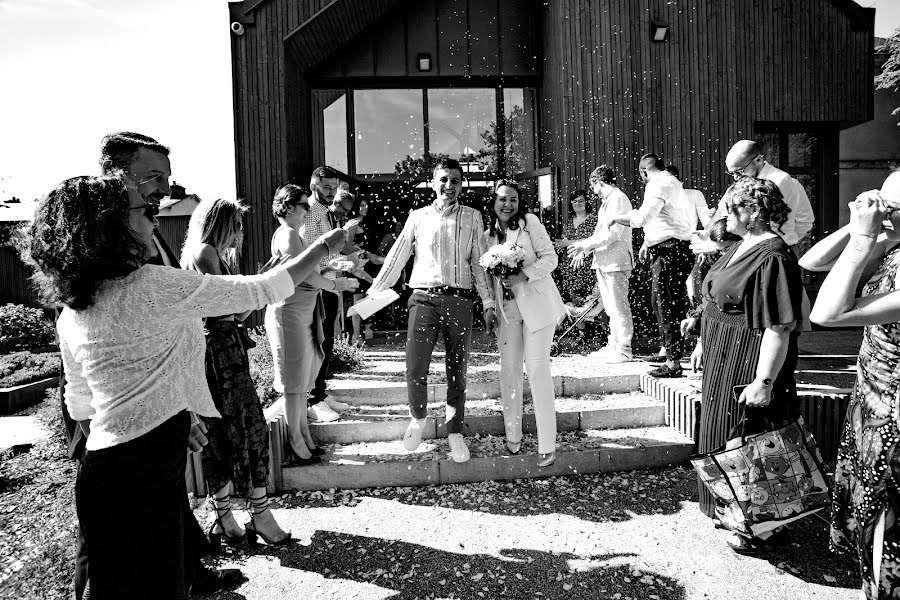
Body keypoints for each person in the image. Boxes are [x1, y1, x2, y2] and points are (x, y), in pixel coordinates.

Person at [24, 174, 345, 599]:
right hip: (147, 472)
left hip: (101, 472)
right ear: (112, 224)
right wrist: (326, 245)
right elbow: (262, 289)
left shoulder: (74, 308)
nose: (154, 222)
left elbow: (81, 402)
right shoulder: (153, 285)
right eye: (145, 210)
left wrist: (176, 413)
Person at [58, 131, 242, 598]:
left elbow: (161, 333)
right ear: (115, 176)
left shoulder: (149, 231)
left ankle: (187, 575)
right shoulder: (95, 241)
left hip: (154, 405)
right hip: (105, 408)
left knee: (163, 507)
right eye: (153, 176)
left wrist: (178, 409)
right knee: (105, 542)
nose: (165, 187)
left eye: (167, 175)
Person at [684, 177, 802, 555]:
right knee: (723, 433)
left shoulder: (773, 257)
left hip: (748, 357)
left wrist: (764, 382)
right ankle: (730, 509)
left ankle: (761, 526)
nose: (722, 214)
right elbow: (717, 296)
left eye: (729, 208)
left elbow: (779, 328)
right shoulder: (741, 244)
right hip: (722, 352)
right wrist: (703, 337)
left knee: (748, 438)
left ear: (752, 213)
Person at [802, 171, 900, 599]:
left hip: (895, 416)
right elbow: (813, 261)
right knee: (871, 519)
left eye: (890, 207)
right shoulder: (892, 243)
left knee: (888, 523)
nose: (881, 211)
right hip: (872, 402)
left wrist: (863, 240)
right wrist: (858, 223)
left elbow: (827, 314)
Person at [180, 197, 292, 549]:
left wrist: (259, 285)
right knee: (245, 428)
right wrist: (260, 284)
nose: (240, 234)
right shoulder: (204, 252)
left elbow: (239, 314)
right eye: (237, 225)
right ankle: (253, 514)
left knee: (230, 431)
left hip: (226, 348)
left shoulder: (215, 256)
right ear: (220, 222)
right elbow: (229, 306)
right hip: (218, 353)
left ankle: (226, 516)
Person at [368, 158, 496, 463]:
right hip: (423, 299)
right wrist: (373, 293)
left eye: (454, 180)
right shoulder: (418, 217)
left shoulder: (473, 217)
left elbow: (479, 264)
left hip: (460, 301)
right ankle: (418, 418)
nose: (448, 186)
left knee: (458, 371)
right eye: (443, 180)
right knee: (415, 367)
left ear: (460, 184)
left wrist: (489, 303)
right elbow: (397, 257)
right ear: (433, 182)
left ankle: (454, 431)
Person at [264, 184, 356, 466]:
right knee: (294, 385)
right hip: (289, 315)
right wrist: (334, 283)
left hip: (300, 315)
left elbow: (309, 270)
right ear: (289, 207)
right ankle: (296, 443)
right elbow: (304, 276)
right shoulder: (289, 234)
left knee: (301, 383)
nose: (308, 211)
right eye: (305, 205)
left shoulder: (293, 235)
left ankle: (303, 435)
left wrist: (332, 268)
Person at [484, 180, 566, 467]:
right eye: (503, 199)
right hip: (507, 312)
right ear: (492, 201)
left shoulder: (530, 223)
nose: (508, 205)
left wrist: (524, 274)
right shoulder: (487, 236)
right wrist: (490, 307)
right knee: (509, 372)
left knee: (537, 369)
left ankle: (547, 444)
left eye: (514, 200)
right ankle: (513, 434)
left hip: (538, 305)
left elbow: (551, 259)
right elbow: (485, 277)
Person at [610, 153, 694, 377]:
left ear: (644, 171)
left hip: (669, 251)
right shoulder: (674, 183)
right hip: (675, 248)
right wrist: (647, 242)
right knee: (665, 302)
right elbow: (666, 219)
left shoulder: (658, 185)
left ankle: (673, 361)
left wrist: (616, 217)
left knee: (664, 303)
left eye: (641, 175)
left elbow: (642, 218)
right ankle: (671, 352)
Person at [300, 166, 356, 422]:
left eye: (334, 188)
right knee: (318, 341)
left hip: (331, 283)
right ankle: (313, 399)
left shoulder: (327, 212)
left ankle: (320, 393)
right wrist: (331, 266)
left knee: (328, 341)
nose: (332, 193)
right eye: (326, 187)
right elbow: (305, 257)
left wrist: (343, 261)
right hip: (317, 286)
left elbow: (327, 251)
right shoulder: (309, 213)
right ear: (313, 185)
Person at [567, 165, 634, 363]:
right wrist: (585, 250)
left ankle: (624, 349)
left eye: (592, 185)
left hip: (616, 262)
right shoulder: (608, 201)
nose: (592, 190)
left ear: (599, 182)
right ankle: (613, 345)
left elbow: (614, 234)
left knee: (619, 306)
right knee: (611, 308)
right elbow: (600, 233)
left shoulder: (619, 198)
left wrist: (584, 244)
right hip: (604, 262)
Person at [724, 140, 814, 249]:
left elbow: (805, 221)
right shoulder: (743, 183)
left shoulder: (780, 181)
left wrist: (785, 242)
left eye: (740, 171)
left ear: (758, 160)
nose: (735, 177)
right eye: (731, 173)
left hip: (773, 249)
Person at [554, 189, 598, 307]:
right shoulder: (568, 222)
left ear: (586, 202)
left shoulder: (594, 220)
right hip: (569, 267)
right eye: (574, 201)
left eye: (581, 201)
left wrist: (568, 243)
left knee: (588, 302)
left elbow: (594, 240)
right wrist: (560, 245)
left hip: (586, 266)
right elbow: (564, 240)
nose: (577, 204)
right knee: (573, 302)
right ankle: (579, 325)